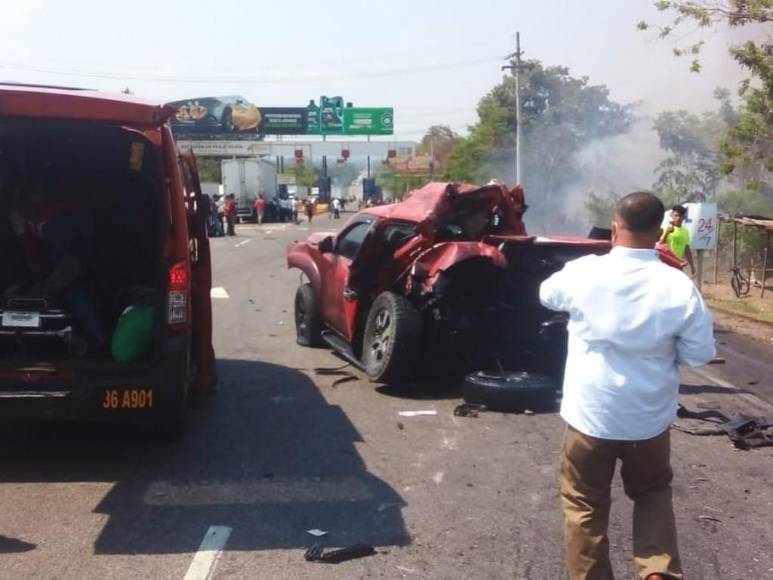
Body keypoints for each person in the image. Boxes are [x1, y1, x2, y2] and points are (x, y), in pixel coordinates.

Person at [539, 191, 715, 580]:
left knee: (584, 504)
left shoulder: (585, 271)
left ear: (615, 228)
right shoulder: (678, 286)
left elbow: (546, 295)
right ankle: (657, 572)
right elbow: (699, 353)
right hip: (648, 421)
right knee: (652, 492)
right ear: (660, 232)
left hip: (591, 417)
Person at [660, 204, 696, 276]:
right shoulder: (665, 229)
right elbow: (659, 245)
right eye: (676, 215)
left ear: (684, 217)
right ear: (672, 215)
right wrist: (666, 233)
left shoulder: (685, 232)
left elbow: (687, 249)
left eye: (681, 216)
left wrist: (692, 266)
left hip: (678, 264)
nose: (678, 218)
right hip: (666, 264)